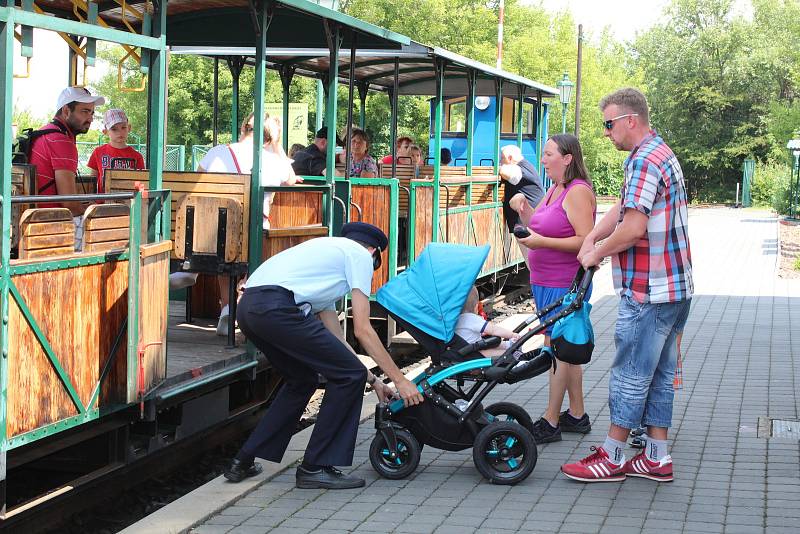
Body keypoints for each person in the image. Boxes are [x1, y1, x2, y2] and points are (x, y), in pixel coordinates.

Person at [224, 222, 425, 489]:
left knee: (303, 379)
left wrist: (376, 382)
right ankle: (315, 467)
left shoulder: (325, 264)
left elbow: (338, 343)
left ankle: (243, 461)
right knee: (347, 377)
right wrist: (400, 380)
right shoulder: (360, 256)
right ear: (374, 251)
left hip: (249, 309)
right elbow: (363, 330)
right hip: (277, 308)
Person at [561, 87, 692, 483]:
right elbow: (624, 207)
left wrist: (596, 253)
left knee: (631, 372)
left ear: (630, 120)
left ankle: (613, 455)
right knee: (659, 373)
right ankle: (656, 455)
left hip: (649, 290)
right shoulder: (656, 153)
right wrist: (592, 237)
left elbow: (634, 227)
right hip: (674, 287)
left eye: (609, 124)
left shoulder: (644, 161)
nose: (606, 133)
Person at [510, 134, 596, 445]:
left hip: (565, 284)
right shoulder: (554, 190)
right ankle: (576, 414)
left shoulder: (577, 192)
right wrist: (525, 214)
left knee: (557, 349)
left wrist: (540, 242)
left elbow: (585, 240)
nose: (542, 160)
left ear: (568, 158)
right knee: (567, 349)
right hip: (546, 282)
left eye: (547, 155)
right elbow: (544, 227)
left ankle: (550, 419)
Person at [197, 113, 300, 336]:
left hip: (217, 227)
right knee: (252, 265)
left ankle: (227, 308)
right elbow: (291, 179)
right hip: (255, 226)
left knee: (224, 259)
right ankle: (243, 307)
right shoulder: (271, 160)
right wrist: (277, 146)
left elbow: (199, 178)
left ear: (243, 127)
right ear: (269, 138)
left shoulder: (217, 152)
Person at [29, 86, 106, 249]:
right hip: (52, 225)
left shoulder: (44, 133)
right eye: (84, 111)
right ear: (66, 111)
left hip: (34, 219)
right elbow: (70, 203)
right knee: (115, 230)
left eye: (92, 113)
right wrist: (92, 208)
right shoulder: (61, 141)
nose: (90, 118)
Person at [499, 145, 545, 269]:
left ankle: (538, 284)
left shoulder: (518, 168)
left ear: (509, 158)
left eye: (502, 159)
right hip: (530, 219)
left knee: (532, 262)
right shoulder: (527, 166)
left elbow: (513, 177)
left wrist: (500, 169)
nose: (500, 161)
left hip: (526, 222)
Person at [87, 109, 145, 194]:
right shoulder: (98, 152)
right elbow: (92, 180)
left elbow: (141, 184)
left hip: (128, 203)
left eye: (123, 127)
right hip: (102, 203)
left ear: (129, 128)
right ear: (105, 132)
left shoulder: (137, 156)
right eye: (114, 129)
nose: (120, 132)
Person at [455, 287, 520, 357]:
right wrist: (512, 335)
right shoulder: (471, 318)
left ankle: (508, 345)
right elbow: (493, 330)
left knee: (490, 343)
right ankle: (514, 356)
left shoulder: (453, 320)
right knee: (506, 354)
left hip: (463, 350)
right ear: (476, 307)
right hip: (475, 353)